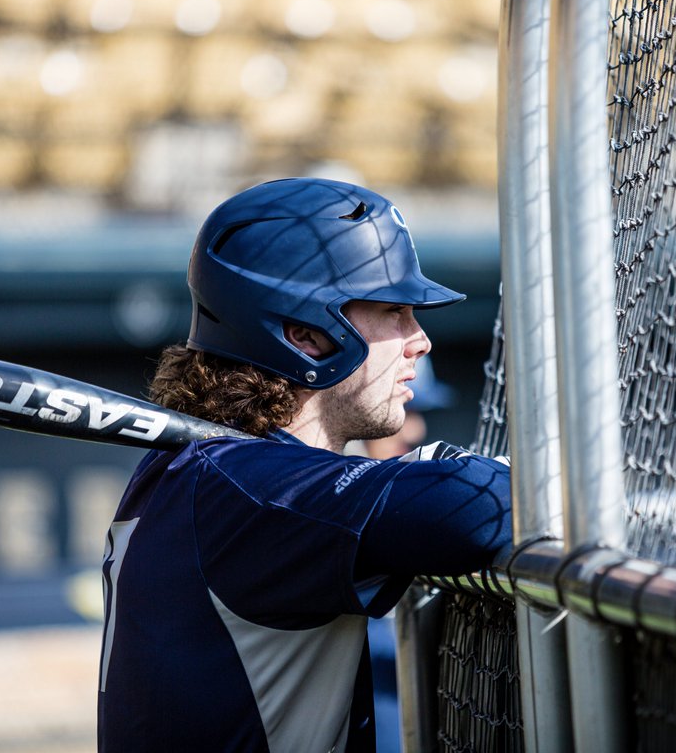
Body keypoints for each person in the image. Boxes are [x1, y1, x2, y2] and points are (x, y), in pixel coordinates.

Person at [97, 177, 512, 752]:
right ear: (307, 336)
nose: (420, 341)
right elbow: (475, 506)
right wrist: (436, 468)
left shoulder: (207, 475)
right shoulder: (242, 492)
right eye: (394, 311)